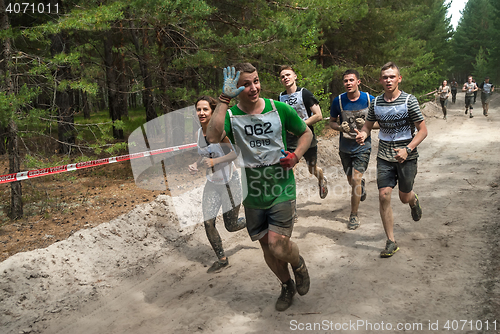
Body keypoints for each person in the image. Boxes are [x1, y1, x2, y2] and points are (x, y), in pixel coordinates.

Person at [206, 63, 312, 312]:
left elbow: (306, 133)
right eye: (245, 84)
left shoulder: (279, 109)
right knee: (267, 247)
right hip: (252, 193)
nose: (253, 88)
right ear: (235, 88)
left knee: (277, 244)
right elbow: (212, 137)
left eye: (256, 81)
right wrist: (223, 100)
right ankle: (286, 286)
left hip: (281, 188)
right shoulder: (231, 116)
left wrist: (296, 156)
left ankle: (298, 265)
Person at [355, 62, 428, 258]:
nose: (388, 80)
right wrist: (363, 134)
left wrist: (408, 149)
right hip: (384, 156)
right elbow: (367, 126)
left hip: (407, 156)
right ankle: (391, 241)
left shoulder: (409, 101)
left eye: (392, 77)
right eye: (385, 77)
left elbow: (423, 130)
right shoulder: (376, 103)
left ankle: (413, 201)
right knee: (384, 195)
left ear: (399, 79)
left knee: (404, 197)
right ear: (380, 80)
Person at [189, 96, 246, 273]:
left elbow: (234, 154)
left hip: (230, 182)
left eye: (205, 109)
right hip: (212, 183)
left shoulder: (220, 132)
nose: (201, 113)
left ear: (212, 112)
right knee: (208, 222)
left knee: (231, 225)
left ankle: (254, 220)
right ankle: (222, 259)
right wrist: (196, 164)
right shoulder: (199, 134)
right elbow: (205, 154)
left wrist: (215, 163)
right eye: (198, 109)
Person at [329, 69, 376, 230]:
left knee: (355, 180)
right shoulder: (339, 101)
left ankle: (354, 215)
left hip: (363, 147)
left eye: (351, 80)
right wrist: (340, 128)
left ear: (358, 82)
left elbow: (380, 122)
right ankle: (360, 185)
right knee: (352, 181)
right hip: (345, 147)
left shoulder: (370, 100)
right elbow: (332, 122)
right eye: (345, 81)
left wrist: (365, 127)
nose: (348, 83)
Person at [278, 65, 328, 199]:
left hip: (307, 137)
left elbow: (318, 115)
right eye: (282, 77)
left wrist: (299, 125)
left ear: (295, 76)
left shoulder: (304, 93)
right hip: (289, 140)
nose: (285, 78)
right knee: (290, 171)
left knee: (312, 169)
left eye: (288, 75)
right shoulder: (280, 97)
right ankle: (291, 207)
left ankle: (321, 178)